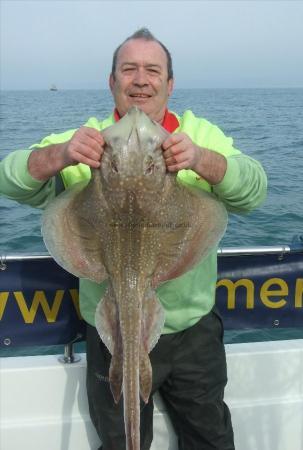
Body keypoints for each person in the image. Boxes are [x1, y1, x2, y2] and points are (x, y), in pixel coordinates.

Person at [0, 28, 267, 450]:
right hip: (112, 330)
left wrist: (200, 159)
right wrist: (62, 155)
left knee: (210, 438)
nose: (140, 79)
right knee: (122, 441)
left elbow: (254, 190)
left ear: (170, 83)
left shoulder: (200, 133)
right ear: (112, 82)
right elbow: (8, 180)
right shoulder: (85, 138)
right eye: (129, 69)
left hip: (192, 333)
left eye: (152, 70)